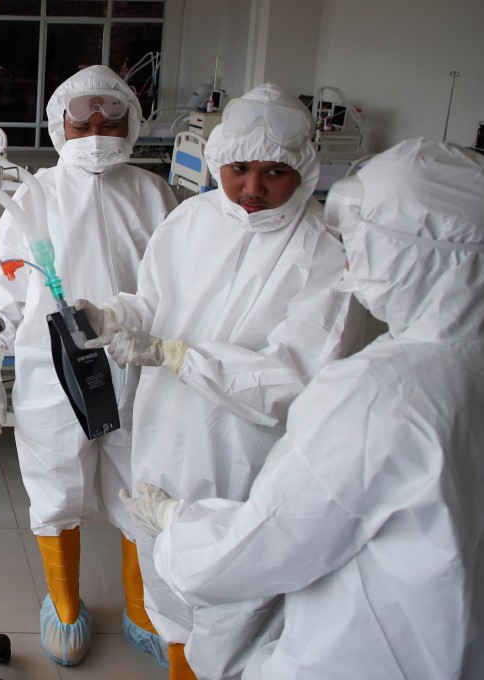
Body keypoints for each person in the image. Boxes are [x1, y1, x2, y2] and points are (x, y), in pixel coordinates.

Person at [124, 138, 484, 679]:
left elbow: (264, 545)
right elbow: (154, 297)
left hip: (365, 652)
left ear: (413, 255)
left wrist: (177, 523)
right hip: (448, 641)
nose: (352, 259)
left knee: (227, 621)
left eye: (365, 242)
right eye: (239, 167)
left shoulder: (377, 394)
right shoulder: (454, 364)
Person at [76, 82, 364, 679]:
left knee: (233, 603)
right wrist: (114, 316)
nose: (252, 188)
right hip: (165, 432)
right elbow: (154, 299)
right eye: (238, 169)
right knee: (165, 579)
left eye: (274, 172)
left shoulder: (322, 253)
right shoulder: (192, 219)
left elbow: (291, 378)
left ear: (303, 169)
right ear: (218, 161)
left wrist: (178, 357)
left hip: (247, 456)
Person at [0, 64, 177, 666]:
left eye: (109, 121)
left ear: (131, 124)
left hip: (138, 366)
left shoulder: (154, 194)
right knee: (55, 486)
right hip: (52, 369)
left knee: (143, 489)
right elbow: (6, 295)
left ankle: (143, 607)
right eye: (82, 121)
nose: (95, 132)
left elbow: (176, 289)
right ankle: (65, 607)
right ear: (59, 124)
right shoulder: (33, 197)